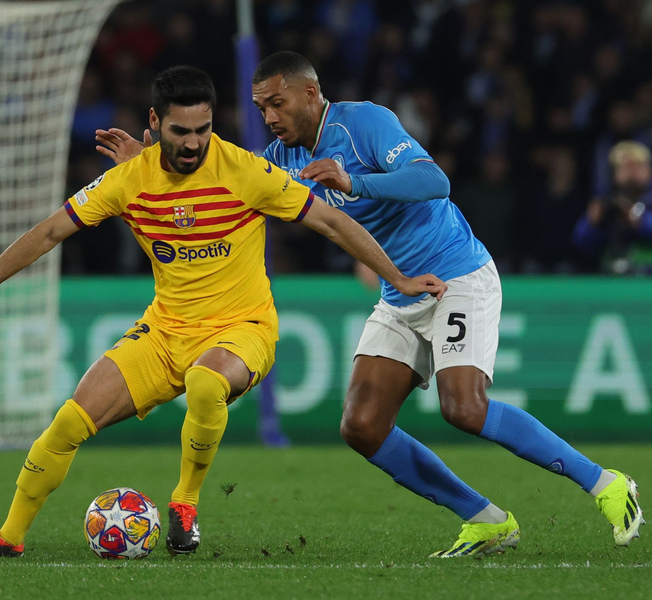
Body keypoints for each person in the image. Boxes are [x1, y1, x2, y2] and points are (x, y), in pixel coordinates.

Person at [96, 52, 643, 557]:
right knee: (361, 425)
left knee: (465, 408)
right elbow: (218, 192)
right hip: (399, 292)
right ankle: (485, 518)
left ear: (311, 93)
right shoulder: (279, 158)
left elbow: (435, 180)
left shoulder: (364, 123)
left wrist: (355, 182)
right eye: (261, 108)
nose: (270, 117)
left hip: (455, 275)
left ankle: (606, 483)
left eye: (278, 104)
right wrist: (149, 166)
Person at [0, 66, 446, 558]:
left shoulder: (245, 172)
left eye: (202, 130)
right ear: (156, 121)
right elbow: (51, 231)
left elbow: (333, 223)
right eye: (180, 131)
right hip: (164, 331)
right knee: (67, 425)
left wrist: (398, 279)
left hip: (242, 328)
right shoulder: (128, 180)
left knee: (206, 383)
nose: (192, 143)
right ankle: (9, 535)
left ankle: (184, 504)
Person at [573, 140, 652, 274]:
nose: (632, 173)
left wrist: (640, 221)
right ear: (614, 173)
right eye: (626, 167)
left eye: (638, 166)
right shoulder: (607, 202)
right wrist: (593, 224)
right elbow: (581, 243)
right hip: (610, 278)